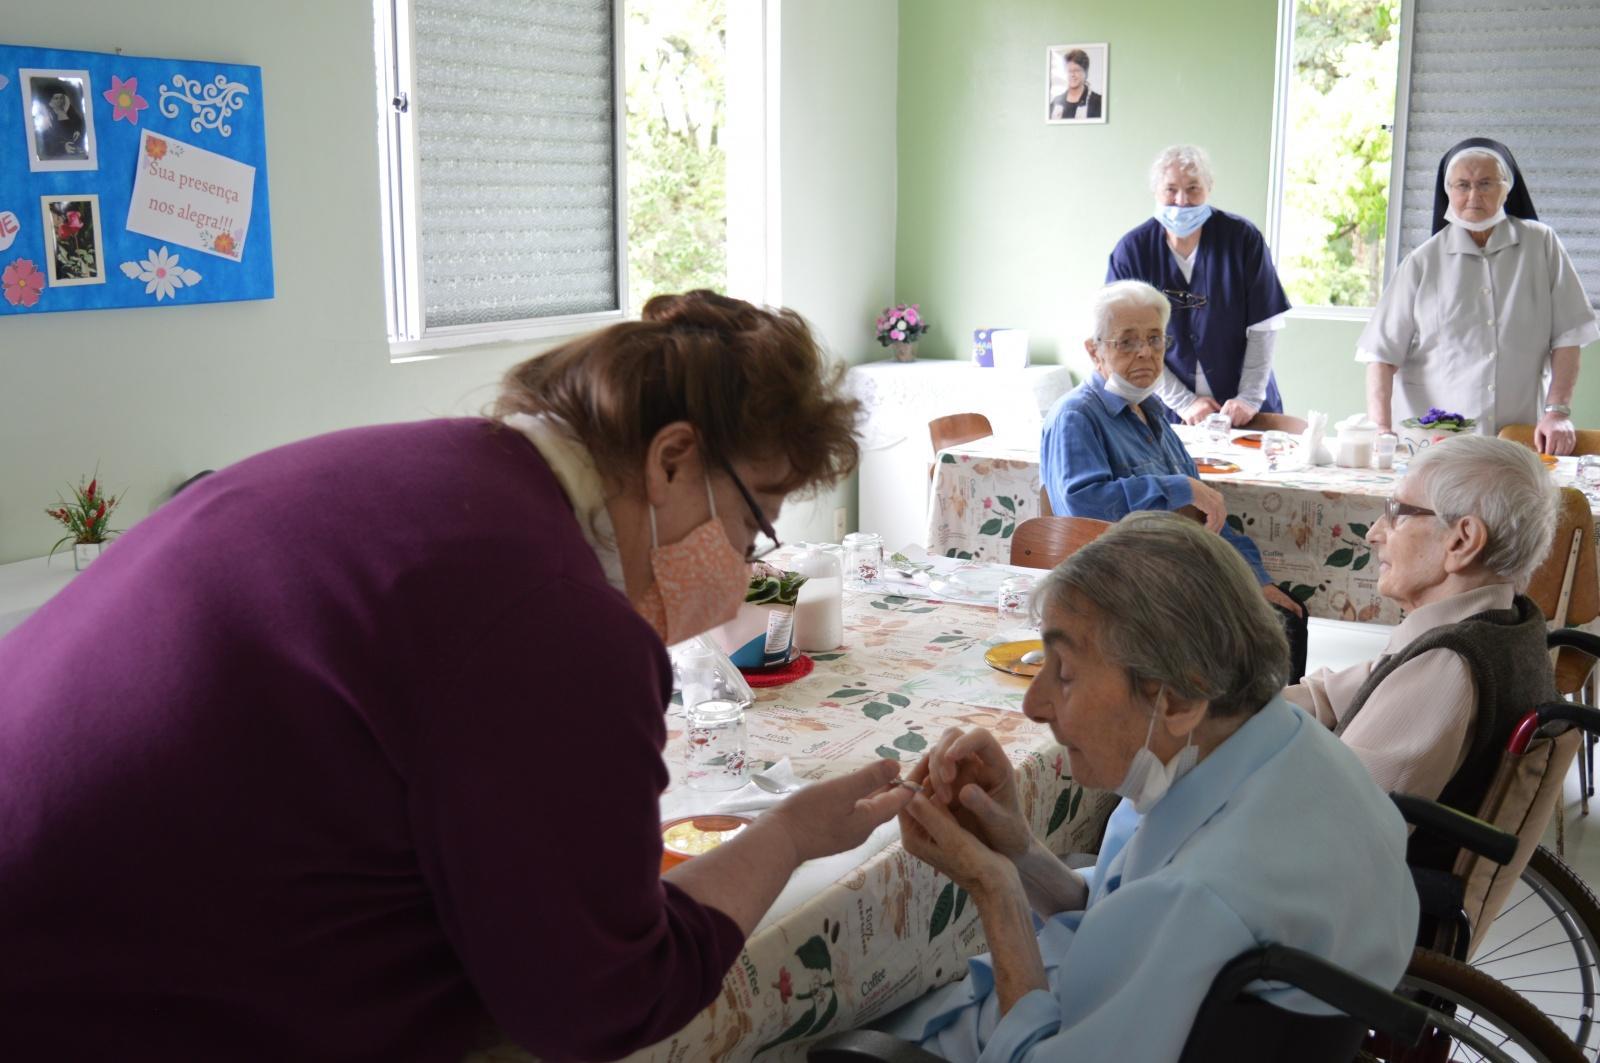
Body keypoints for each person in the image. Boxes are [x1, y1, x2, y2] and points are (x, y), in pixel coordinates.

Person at [0, 291, 915, 1061]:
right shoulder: (550, 616)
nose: (749, 562)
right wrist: (789, 833)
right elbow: (598, 999)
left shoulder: (425, 466)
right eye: (753, 526)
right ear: (672, 459)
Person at [871, 511, 1417, 1060]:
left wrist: (996, 892)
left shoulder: (1205, 891)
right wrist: (1018, 851)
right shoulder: (1278, 745)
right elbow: (1123, 911)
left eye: (1064, 673)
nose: (1033, 705)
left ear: (1178, 699)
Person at [1284, 435, 1560, 866]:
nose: (1374, 533)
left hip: (1337, 907)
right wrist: (1228, 706)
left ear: (1462, 541)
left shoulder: (1448, 665)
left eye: (1397, 513)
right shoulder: (1501, 622)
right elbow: (1339, 694)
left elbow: (1333, 825)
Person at [1041, 280, 1308, 677]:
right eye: (1126, 342)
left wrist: (1256, 580)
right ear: (1095, 351)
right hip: (1123, 589)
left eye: (1154, 339)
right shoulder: (1076, 416)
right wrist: (1180, 487)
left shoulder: (1152, 413)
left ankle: (1264, 731)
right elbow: (1083, 502)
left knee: (1286, 613)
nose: (1146, 352)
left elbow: (1208, 520)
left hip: (1175, 575)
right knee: (1259, 636)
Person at [1360, 138, 1597, 453]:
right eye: (1462, 185)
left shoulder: (1541, 245)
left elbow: (1569, 336)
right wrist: (1382, 429)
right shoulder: (1423, 261)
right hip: (1436, 442)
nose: (1473, 195)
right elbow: (1381, 354)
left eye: (1485, 184)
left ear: (1506, 188)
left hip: (1517, 435)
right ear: (1448, 192)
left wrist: (1557, 411)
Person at [1107, 144, 1292, 426]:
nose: (1182, 201)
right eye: (1171, 189)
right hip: (1166, 406)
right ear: (1156, 191)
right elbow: (1127, 344)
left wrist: (1249, 398)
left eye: (1193, 188)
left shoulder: (1243, 240)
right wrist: (1183, 401)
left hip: (1244, 407)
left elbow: (1263, 329)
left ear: (1209, 188)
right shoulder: (1132, 252)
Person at [1048, 48, 1102, 120]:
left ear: (1085, 73)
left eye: (1076, 70)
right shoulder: (1055, 103)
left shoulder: (1098, 102)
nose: (1072, 75)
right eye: (1069, 71)